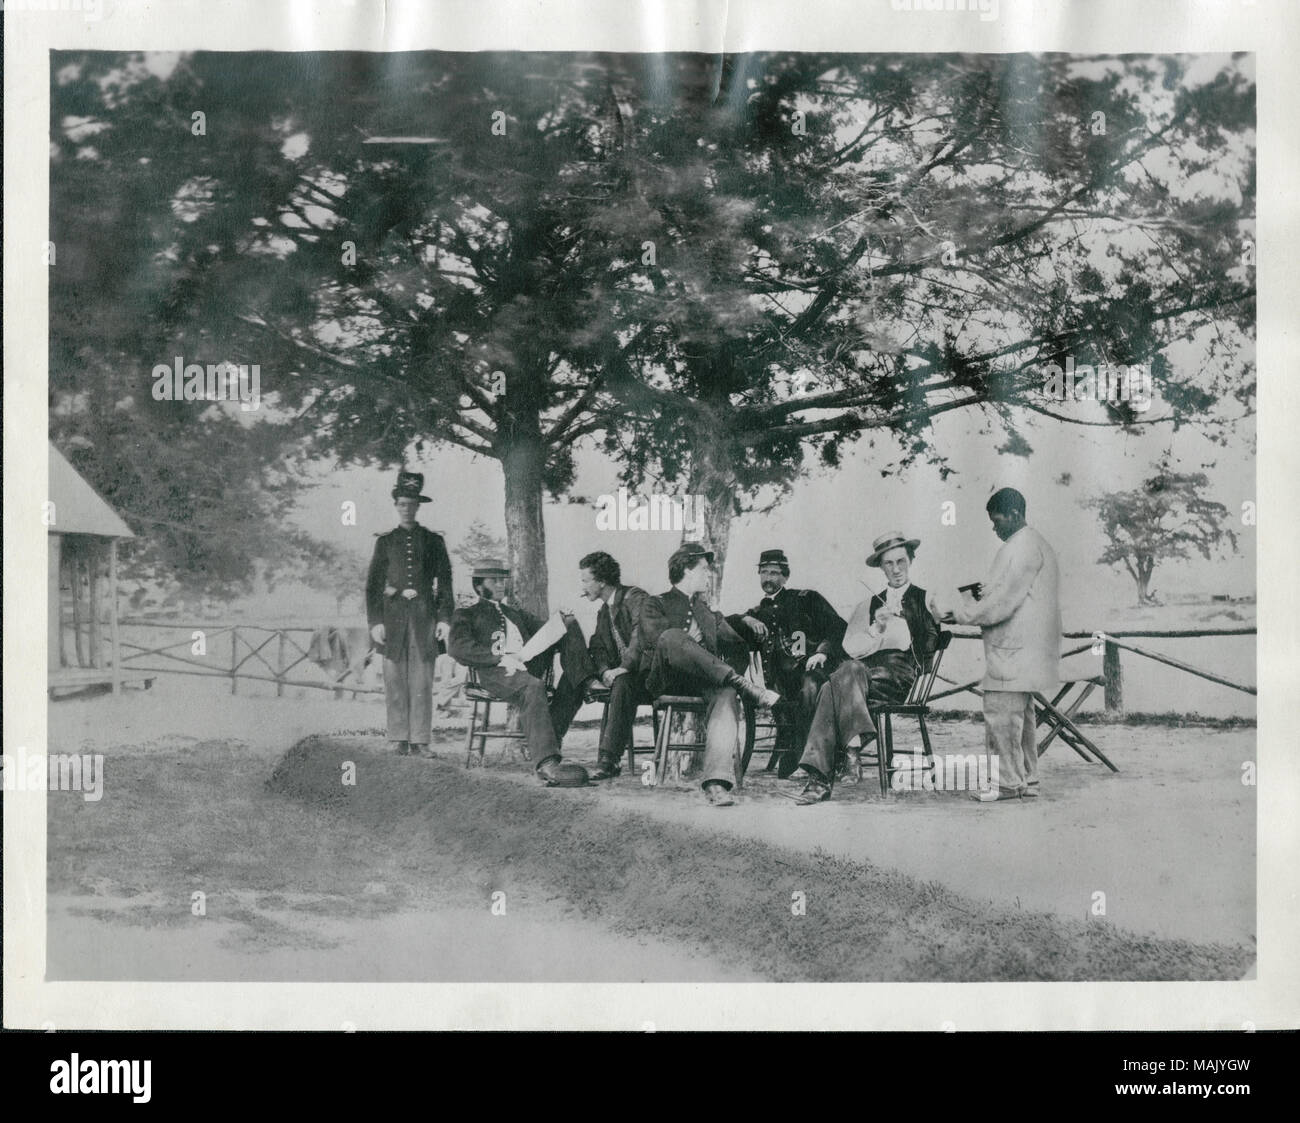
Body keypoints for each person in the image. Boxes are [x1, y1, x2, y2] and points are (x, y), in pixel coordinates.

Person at [792, 531, 940, 804]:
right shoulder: (869, 605)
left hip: (899, 673)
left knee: (832, 686)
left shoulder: (926, 598)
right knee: (844, 675)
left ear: (911, 560)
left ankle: (828, 770)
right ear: (881, 568)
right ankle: (844, 758)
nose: (896, 569)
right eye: (889, 564)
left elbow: (929, 645)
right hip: (861, 675)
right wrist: (876, 629)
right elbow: (851, 648)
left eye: (901, 561)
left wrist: (904, 626)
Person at [638, 543, 781, 807]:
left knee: (727, 693)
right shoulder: (654, 603)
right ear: (687, 570)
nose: (708, 575)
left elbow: (737, 644)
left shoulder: (709, 613)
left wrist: (730, 667)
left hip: (703, 681)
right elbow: (656, 642)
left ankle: (716, 783)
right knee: (672, 636)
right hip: (667, 679)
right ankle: (740, 683)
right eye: (704, 569)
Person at [952, 488, 1061, 802]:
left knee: (1001, 713)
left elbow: (1001, 602)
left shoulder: (1023, 546)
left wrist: (959, 613)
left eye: (995, 518)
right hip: (1026, 647)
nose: (993, 526)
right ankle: (1028, 778)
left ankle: (1006, 783)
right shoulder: (1032, 543)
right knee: (1022, 716)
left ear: (1013, 514)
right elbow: (1004, 592)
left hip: (1015, 649)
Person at [446, 558, 593, 785]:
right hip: (494, 672)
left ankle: (584, 683)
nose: (500, 585)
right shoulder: (468, 613)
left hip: (525, 665)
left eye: (502, 580)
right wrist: (497, 658)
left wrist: (562, 619)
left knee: (569, 630)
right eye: (493, 580)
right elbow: (457, 647)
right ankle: (546, 764)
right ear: (478, 585)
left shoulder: (513, 612)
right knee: (532, 686)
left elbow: (546, 630)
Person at [727, 549, 847, 778]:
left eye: (774, 573)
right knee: (791, 694)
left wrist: (822, 652)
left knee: (810, 686)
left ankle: (810, 762)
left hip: (814, 672)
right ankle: (798, 758)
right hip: (779, 685)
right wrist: (745, 619)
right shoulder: (757, 612)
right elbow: (723, 624)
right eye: (763, 572)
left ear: (785, 577)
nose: (768, 578)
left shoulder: (806, 599)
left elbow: (838, 627)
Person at [365, 470, 454, 756]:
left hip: (424, 619)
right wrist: (375, 622)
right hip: (392, 621)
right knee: (393, 679)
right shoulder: (385, 542)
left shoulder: (433, 541)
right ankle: (397, 737)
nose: (407, 508)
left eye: (412, 504)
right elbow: (373, 586)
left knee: (422, 680)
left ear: (418, 506)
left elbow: (446, 583)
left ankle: (420, 740)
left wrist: (444, 619)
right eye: (402, 503)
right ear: (396, 505)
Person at [579, 551, 650, 781]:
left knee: (622, 683)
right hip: (626, 679)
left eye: (585, 580)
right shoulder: (604, 611)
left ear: (601, 581)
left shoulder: (634, 597)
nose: (583, 586)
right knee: (619, 682)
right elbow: (597, 647)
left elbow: (643, 632)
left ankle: (608, 760)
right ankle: (608, 759)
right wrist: (603, 671)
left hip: (652, 674)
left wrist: (624, 666)